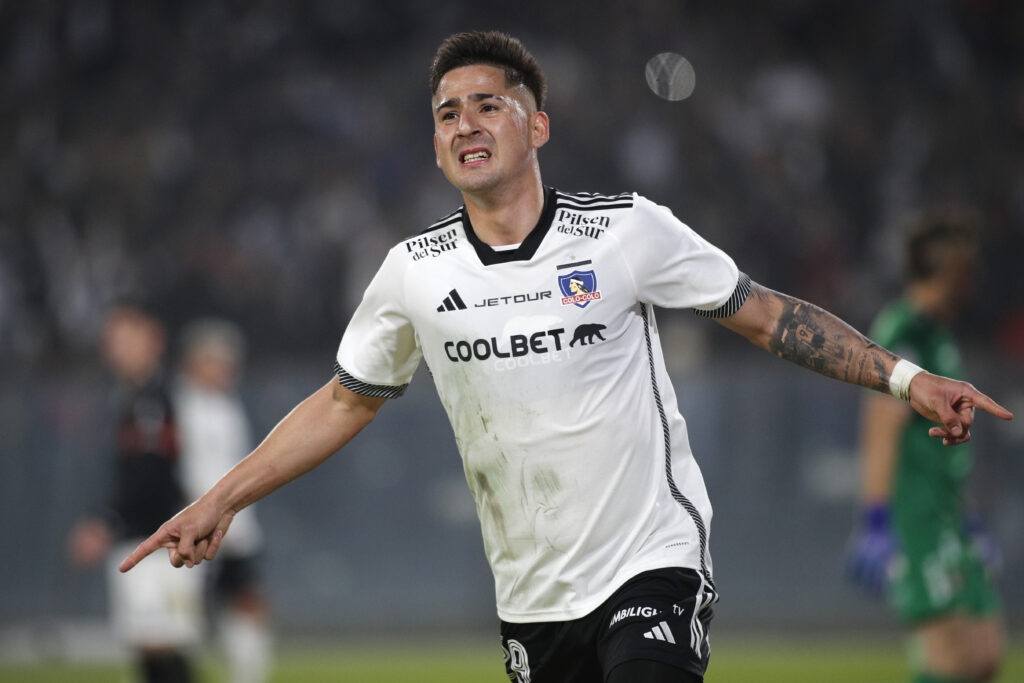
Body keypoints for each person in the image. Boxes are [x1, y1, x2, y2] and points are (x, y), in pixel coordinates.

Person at [120, 31, 1013, 683]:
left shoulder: (625, 230)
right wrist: (220, 497)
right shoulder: (412, 275)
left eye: (487, 103)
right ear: (435, 146)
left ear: (537, 125)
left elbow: (769, 316)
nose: (465, 121)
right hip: (533, 596)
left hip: (650, 561)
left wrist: (906, 377)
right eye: (446, 113)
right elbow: (347, 399)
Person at [847, 210, 1004, 683]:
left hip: (948, 516)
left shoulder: (937, 333)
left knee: (985, 655)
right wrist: (875, 519)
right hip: (915, 520)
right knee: (949, 659)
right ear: (947, 268)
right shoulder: (904, 332)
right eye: (967, 268)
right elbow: (880, 429)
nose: (973, 280)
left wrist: (967, 516)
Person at [69, 301, 203, 683]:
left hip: (159, 541)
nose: (115, 347)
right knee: (151, 648)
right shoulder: (131, 397)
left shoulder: (156, 399)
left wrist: (105, 520)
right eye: (112, 339)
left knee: (162, 647)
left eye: (125, 336)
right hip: (140, 538)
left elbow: (153, 476)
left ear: (153, 337)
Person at [175, 318, 273, 683]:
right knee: (185, 616)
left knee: (247, 603)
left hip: (239, 527)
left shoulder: (228, 407)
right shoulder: (180, 407)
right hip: (199, 527)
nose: (225, 368)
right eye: (216, 359)